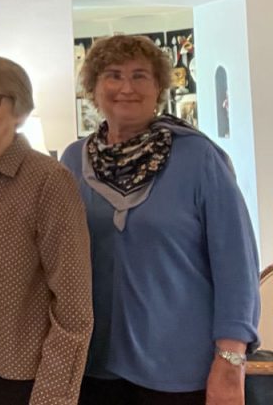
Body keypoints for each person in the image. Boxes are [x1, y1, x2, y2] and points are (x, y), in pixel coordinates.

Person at [62, 35, 259, 405]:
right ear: (93, 87)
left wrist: (231, 359)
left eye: (140, 76)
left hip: (180, 369)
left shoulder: (198, 158)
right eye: (113, 75)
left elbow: (237, 264)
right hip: (93, 366)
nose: (126, 88)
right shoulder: (74, 161)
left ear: (159, 89)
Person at [0, 56, 93, 404]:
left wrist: (52, 396)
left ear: (20, 108)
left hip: (17, 379)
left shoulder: (49, 182)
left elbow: (73, 309)